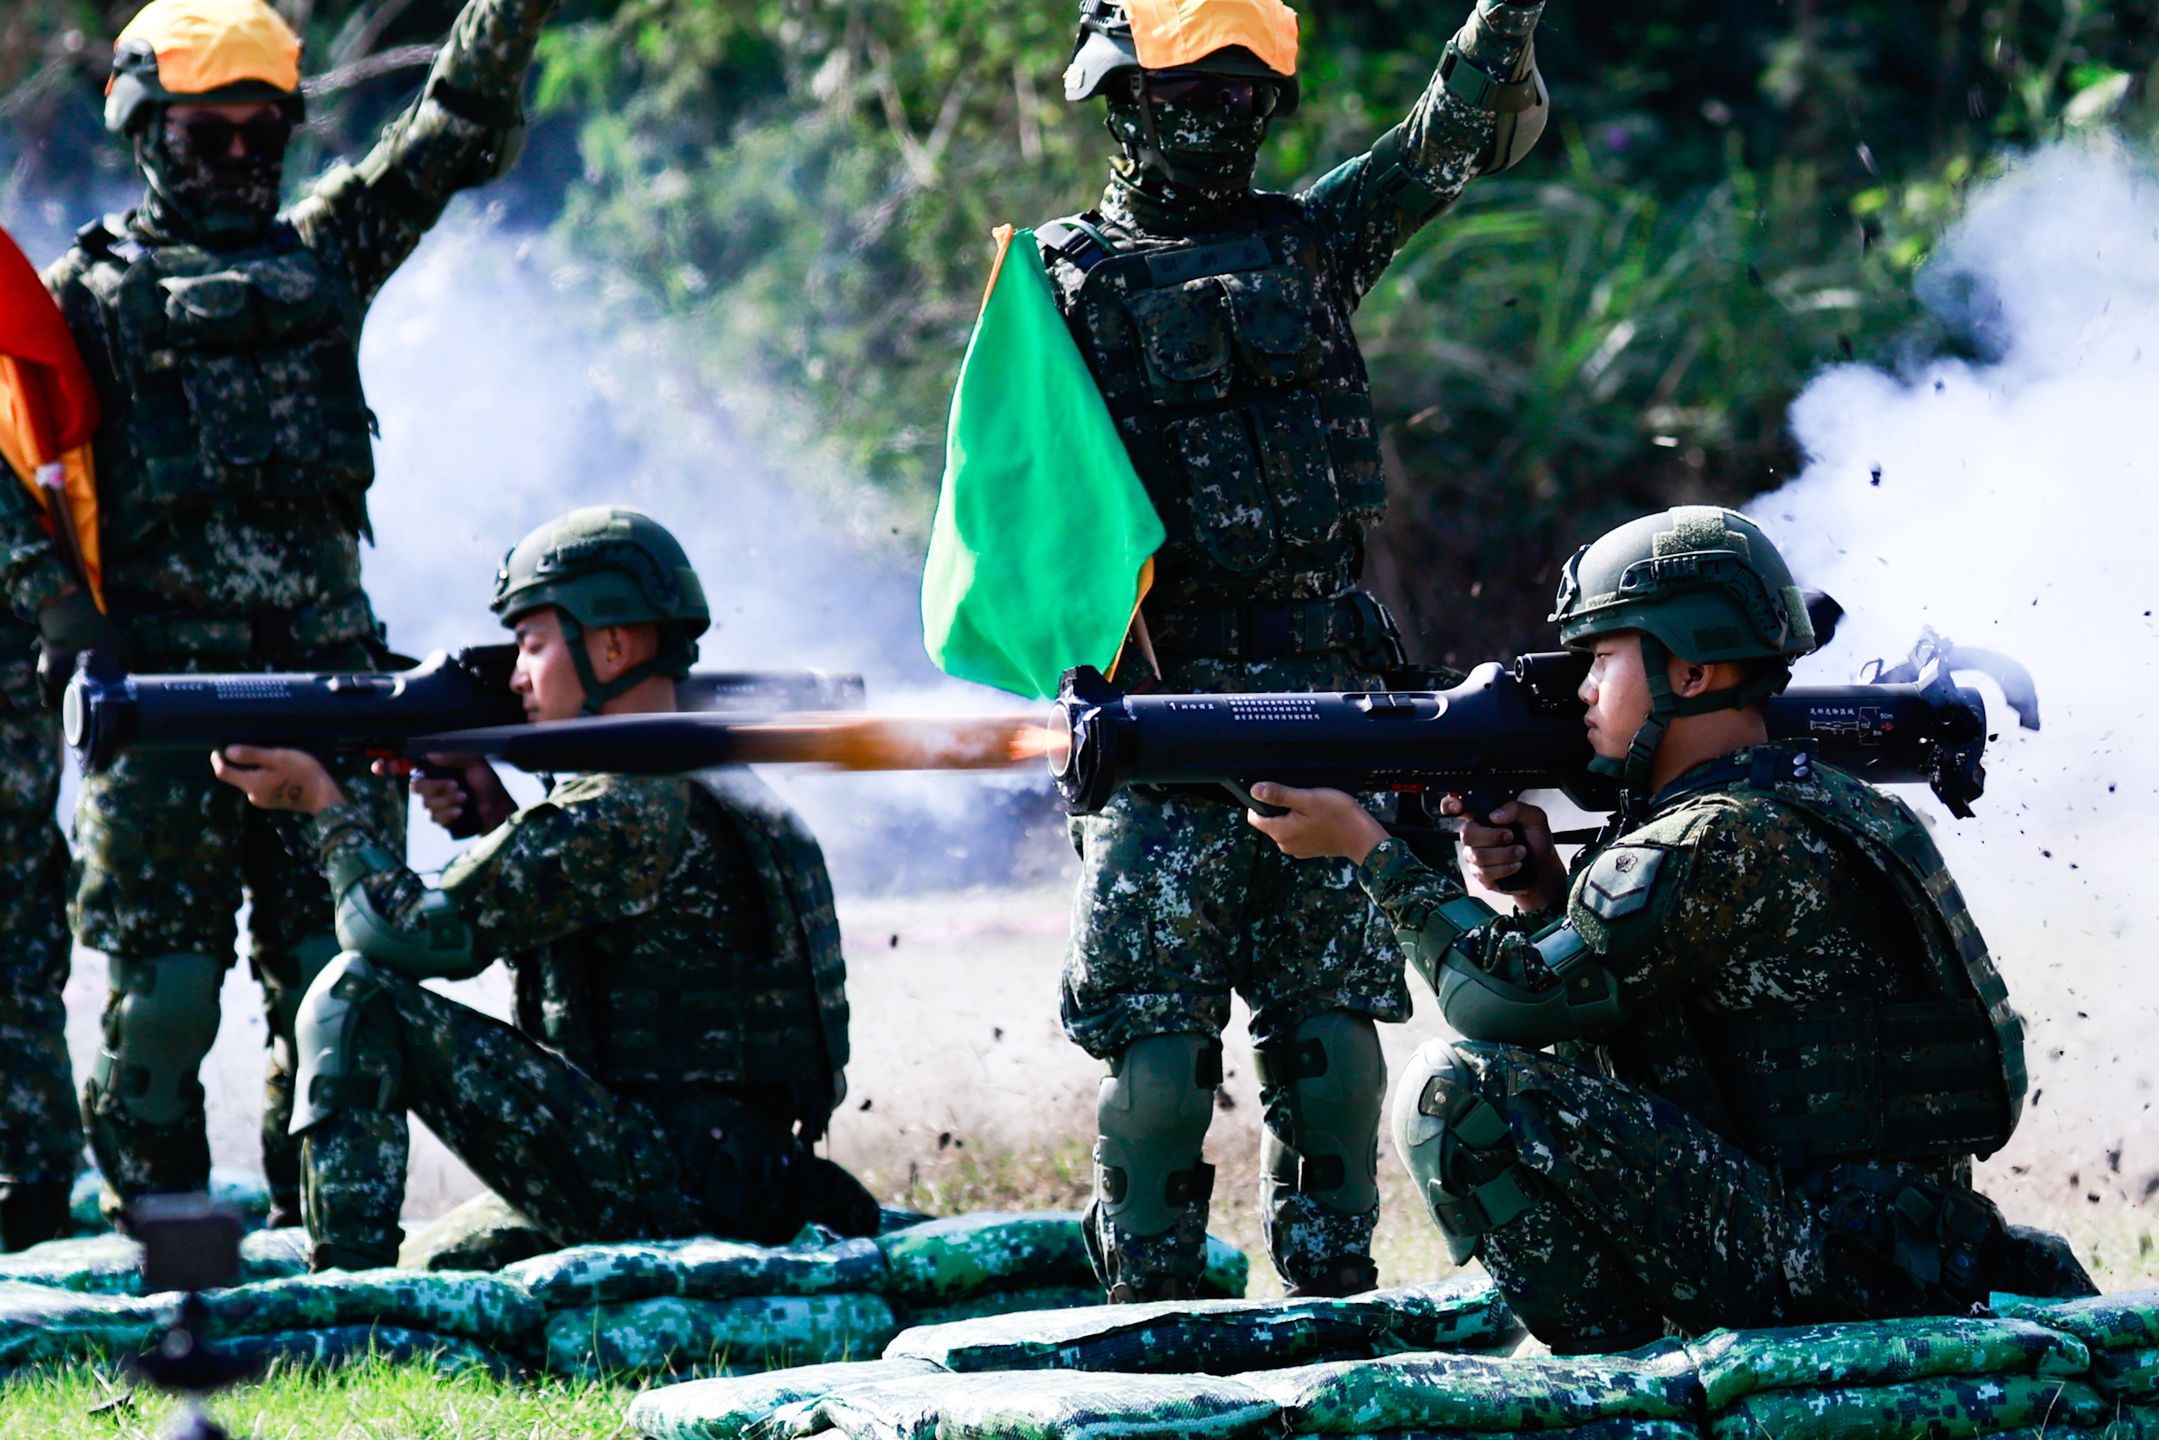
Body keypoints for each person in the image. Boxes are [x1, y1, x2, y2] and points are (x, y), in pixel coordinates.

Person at [1248, 505, 2096, 1351]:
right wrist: (1548, 897)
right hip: (1900, 1248)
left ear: (1689, 675)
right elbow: (1649, 1019)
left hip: (1824, 1269)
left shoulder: (1712, 837)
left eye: (1601, 659)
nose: (1580, 689)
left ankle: (1626, 1379)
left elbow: (1499, 1002)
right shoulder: (1834, 807)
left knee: (1459, 1093)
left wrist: (1367, 850)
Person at [0, 0, 566, 1222]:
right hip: (158, 704)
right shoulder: (83, 297)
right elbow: (8, 472)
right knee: (163, 1002)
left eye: (268, 134)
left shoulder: (325, 255)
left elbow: (453, 130)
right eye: (214, 135)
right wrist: (64, 622)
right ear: (148, 132)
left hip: (334, 689)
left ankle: (325, 1255)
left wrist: (504, 18)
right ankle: (169, 1266)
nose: (246, 160)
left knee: (331, 982)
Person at [1039, 0, 1550, 1299]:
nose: (1216, 119)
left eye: (1239, 93)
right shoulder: (1052, 288)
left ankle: (1329, 1308)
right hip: (1157, 728)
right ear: (1118, 94)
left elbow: (1453, 135)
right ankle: (1145, 1308)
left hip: (1329, 713)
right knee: (1154, 1075)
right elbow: (1009, 519)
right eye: (1186, 89)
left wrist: (1504, 17)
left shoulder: (1309, 242)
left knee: (1332, 1055)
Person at [209, 507, 877, 1271]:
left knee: (355, 993)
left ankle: (348, 1303)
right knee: (442, 1264)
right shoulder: (705, 779)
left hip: (661, 1179)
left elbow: (403, 937)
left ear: (614, 643)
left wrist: (323, 808)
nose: (518, 677)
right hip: (738, 1175)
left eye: (530, 645)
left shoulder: (626, 802)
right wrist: (500, 817)